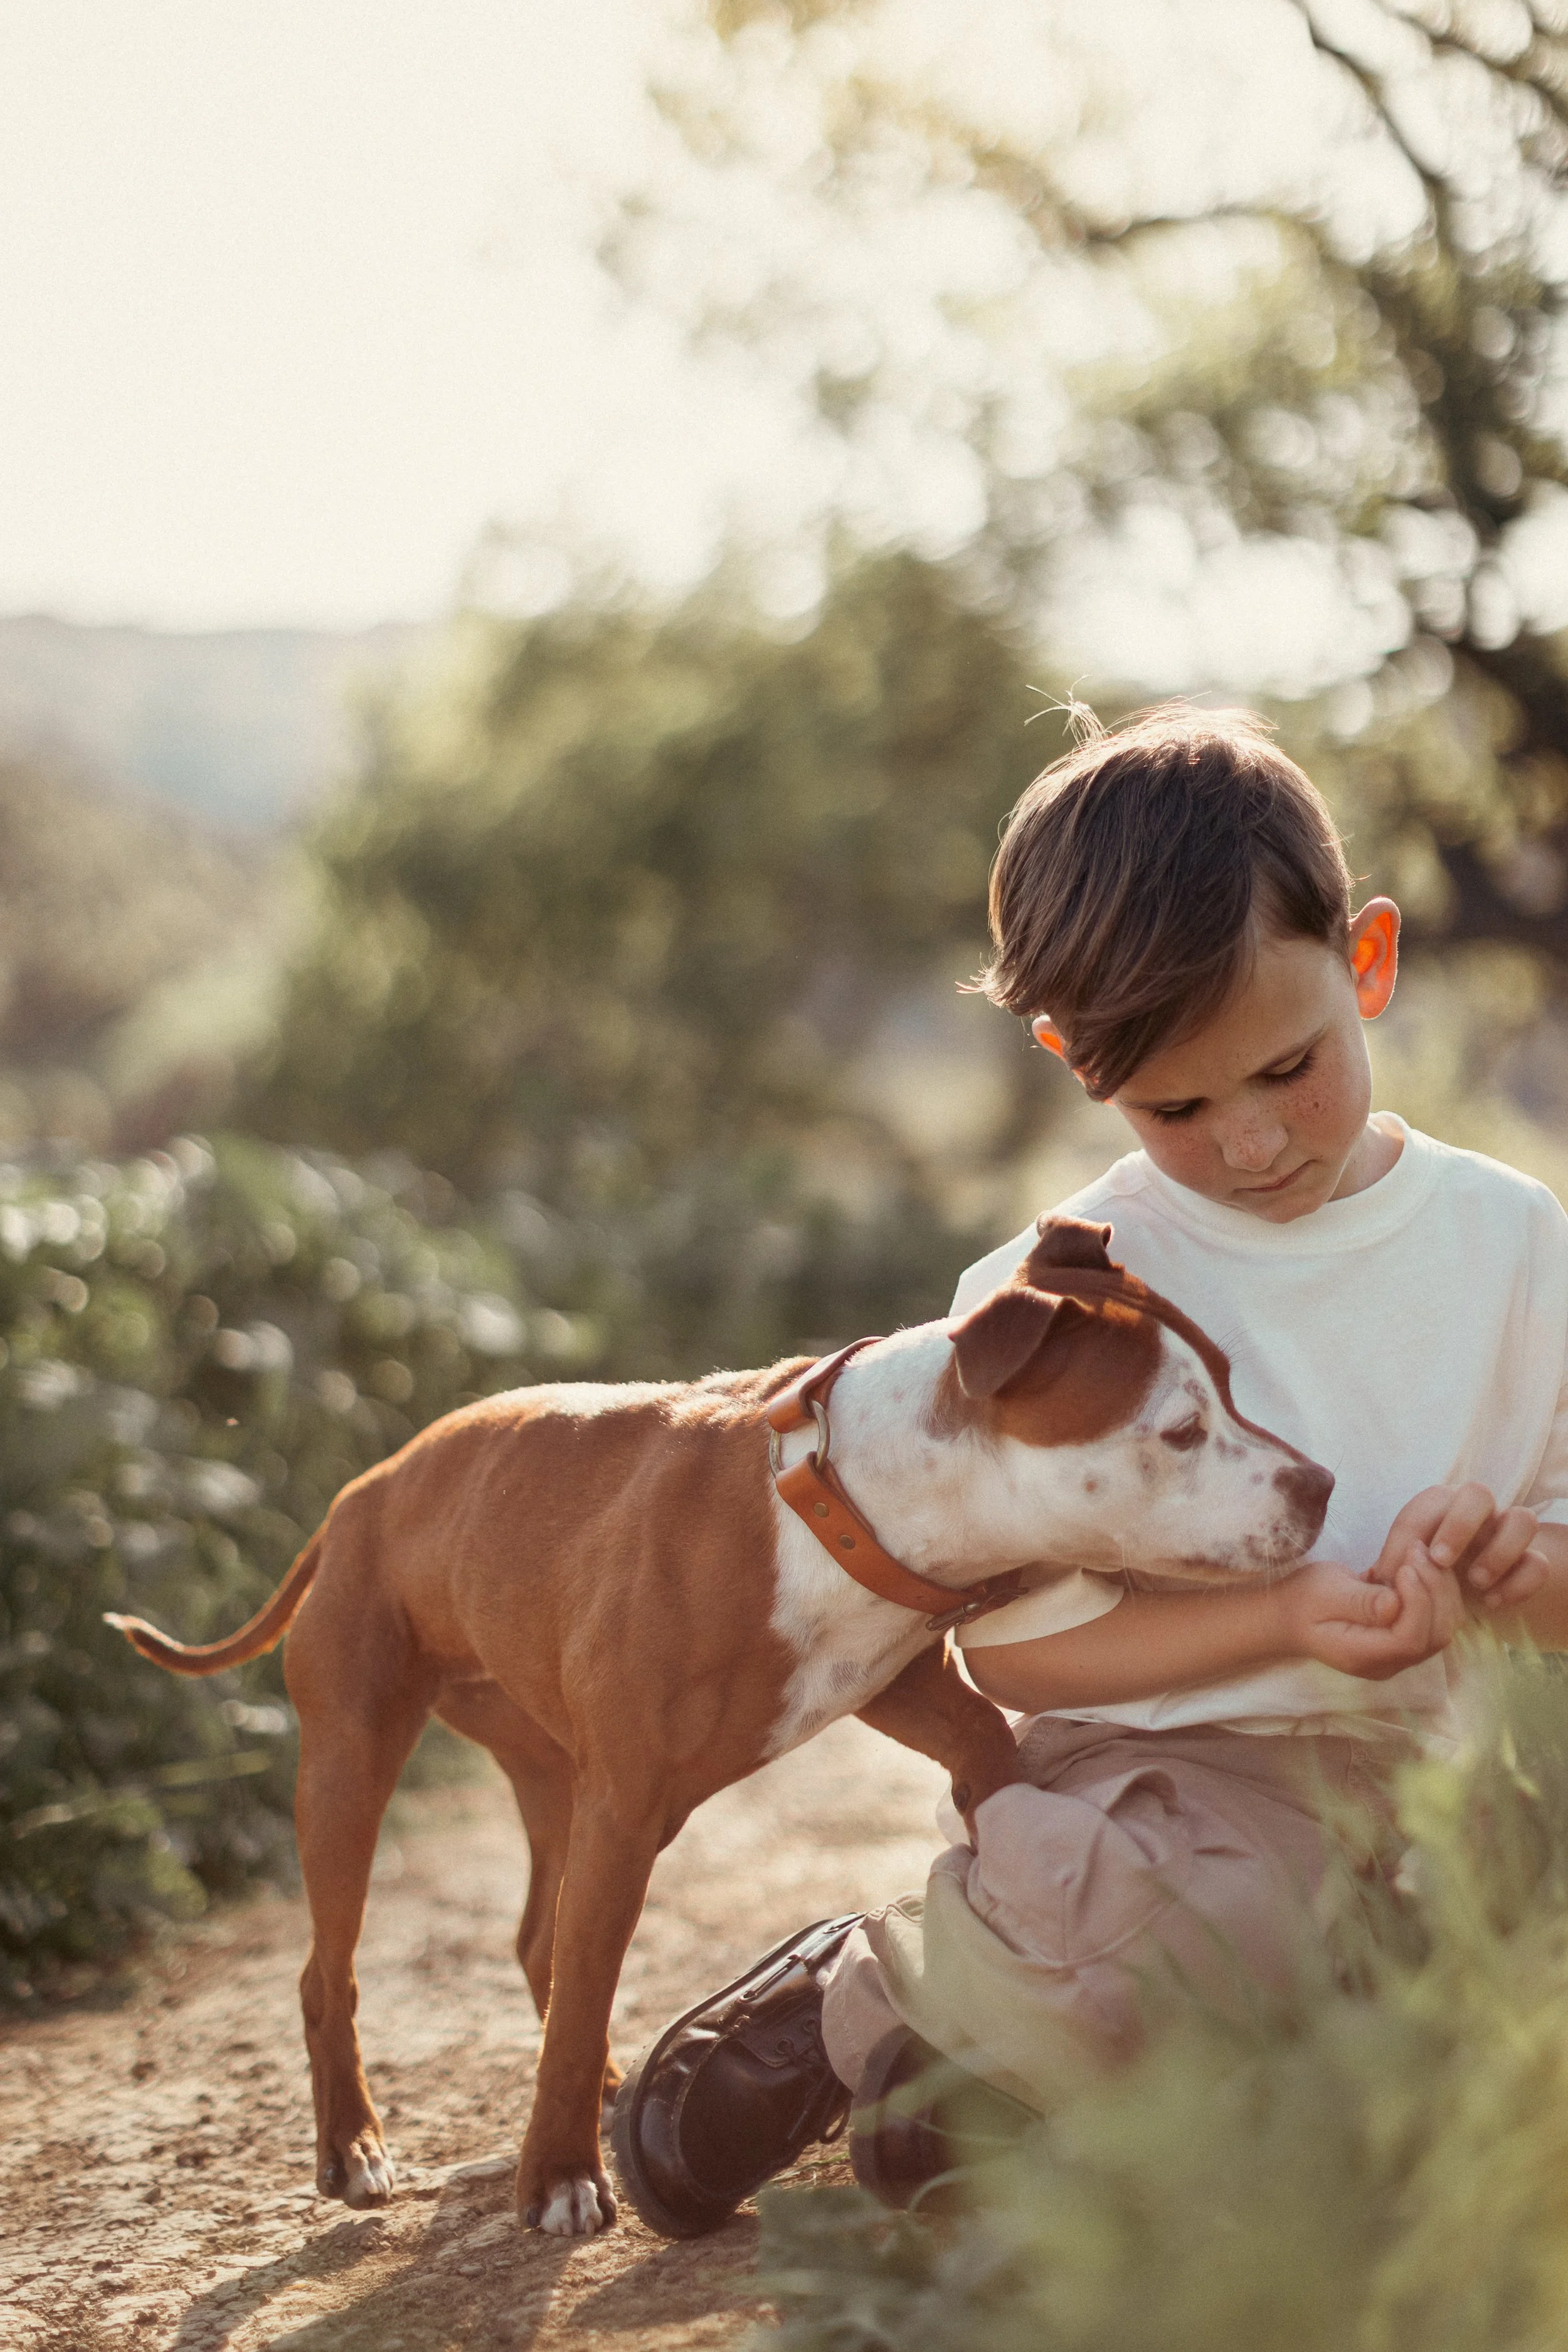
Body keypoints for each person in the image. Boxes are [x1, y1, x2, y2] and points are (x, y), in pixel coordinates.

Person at [611, 704, 1568, 2236]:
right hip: (1154, 1784)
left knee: (1400, 2060)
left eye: (1287, 1068)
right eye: (1178, 1109)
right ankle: (875, 2003)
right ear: (1073, 1063)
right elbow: (1026, 1662)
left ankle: (981, 2064)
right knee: (1196, 1938)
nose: (1251, 1141)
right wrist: (1280, 1618)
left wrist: (1520, 1575)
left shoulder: (1514, 1245)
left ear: (1367, 962)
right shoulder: (1062, 1307)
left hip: (1420, 1790)